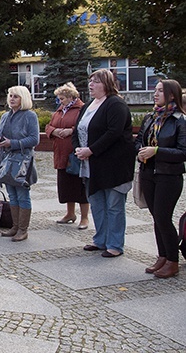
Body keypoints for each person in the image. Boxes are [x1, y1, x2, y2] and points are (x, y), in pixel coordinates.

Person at [73, 69, 135, 258]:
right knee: (97, 203)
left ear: (107, 84)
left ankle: (115, 244)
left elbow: (113, 133)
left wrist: (91, 150)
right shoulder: (89, 105)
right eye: (90, 81)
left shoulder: (116, 104)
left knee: (114, 205)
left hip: (113, 165)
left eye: (96, 81)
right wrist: (77, 148)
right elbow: (77, 129)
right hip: (91, 165)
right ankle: (100, 240)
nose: (91, 85)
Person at [135, 79, 186, 278]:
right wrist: (139, 152)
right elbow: (139, 140)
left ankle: (173, 261)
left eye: (160, 91)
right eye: (155, 90)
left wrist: (156, 151)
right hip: (149, 173)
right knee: (156, 217)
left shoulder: (180, 120)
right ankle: (162, 256)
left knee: (164, 217)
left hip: (169, 175)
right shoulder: (150, 117)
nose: (155, 94)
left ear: (171, 95)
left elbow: (183, 152)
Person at [0, 85, 40, 241]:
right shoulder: (6, 116)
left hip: (22, 161)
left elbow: (34, 139)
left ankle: (23, 229)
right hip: (6, 160)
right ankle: (15, 226)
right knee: (12, 195)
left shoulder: (29, 116)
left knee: (22, 195)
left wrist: (12, 143)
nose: (12, 99)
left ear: (23, 98)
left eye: (16, 96)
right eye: (10, 95)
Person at [45, 82, 89, 229]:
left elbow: (84, 126)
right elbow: (49, 126)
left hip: (75, 154)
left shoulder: (81, 109)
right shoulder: (60, 110)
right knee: (66, 186)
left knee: (80, 187)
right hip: (61, 153)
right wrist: (54, 131)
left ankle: (84, 217)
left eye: (62, 98)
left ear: (71, 97)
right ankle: (70, 213)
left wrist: (71, 130)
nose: (60, 101)